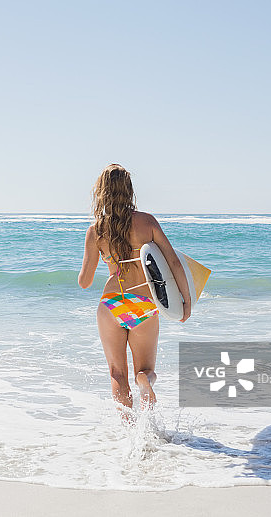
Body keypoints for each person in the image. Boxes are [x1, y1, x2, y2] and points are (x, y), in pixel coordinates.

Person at [78, 164, 191, 411]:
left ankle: (129, 431)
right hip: (143, 303)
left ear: (101, 192)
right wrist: (185, 301)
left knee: (117, 374)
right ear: (129, 190)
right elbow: (173, 263)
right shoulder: (147, 222)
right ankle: (145, 385)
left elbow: (84, 282)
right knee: (145, 370)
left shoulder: (95, 230)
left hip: (111, 304)